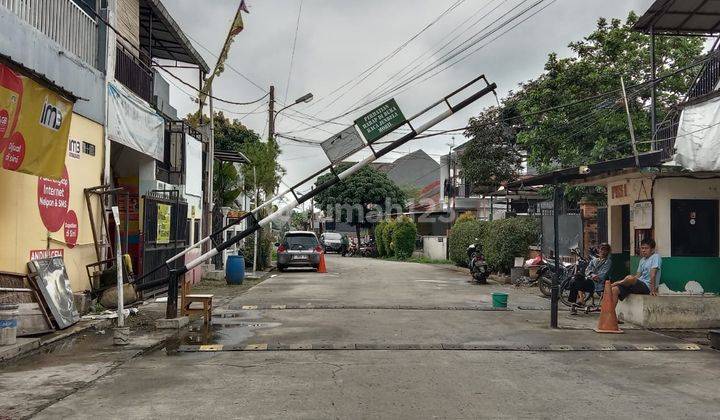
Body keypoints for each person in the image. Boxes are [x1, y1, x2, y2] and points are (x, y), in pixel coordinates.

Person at [611, 238, 661, 305]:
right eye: (642, 248)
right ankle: (611, 313)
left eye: (646, 248)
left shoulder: (656, 257)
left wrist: (652, 290)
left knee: (630, 278)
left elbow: (653, 274)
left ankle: (616, 283)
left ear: (652, 250)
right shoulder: (642, 260)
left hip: (647, 287)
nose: (643, 250)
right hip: (638, 285)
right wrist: (630, 281)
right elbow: (638, 276)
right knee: (614, 290)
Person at [569, 243, 612, 311]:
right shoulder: (594, 260)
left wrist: (593, 275)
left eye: (605, 250)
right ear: (599, 250)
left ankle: (580, 300)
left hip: (598, 283)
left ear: (608, 251)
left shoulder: (608, 262)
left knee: (577, 281)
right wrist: (592, 274)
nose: (603, 252)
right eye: (601, 249)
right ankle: (579, 300)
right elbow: (587, 270)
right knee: (574, 279)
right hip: (590, 280)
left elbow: (603, 274)